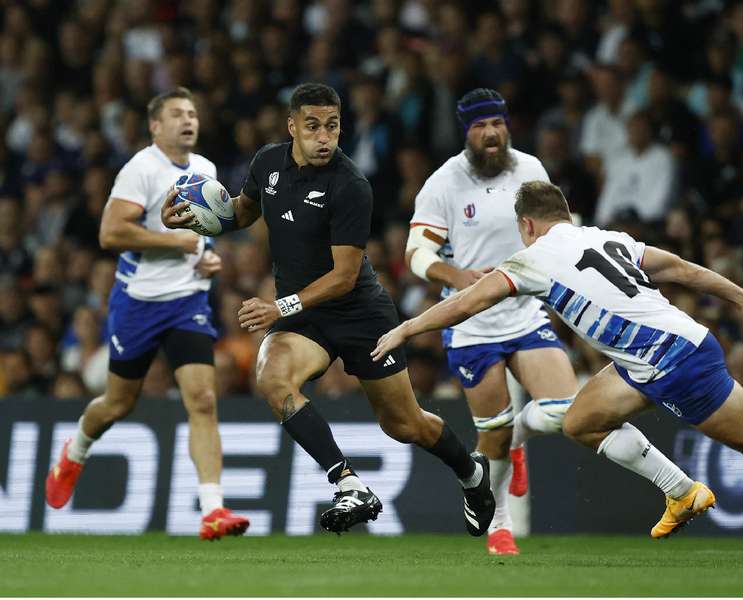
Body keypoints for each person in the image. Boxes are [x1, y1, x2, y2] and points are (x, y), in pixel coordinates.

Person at [374, 180, 743, 569]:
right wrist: (742, 297)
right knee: (581, 421)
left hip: (677, 361)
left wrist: (406, 329)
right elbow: (682, 270)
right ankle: (681, 490)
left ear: (527, 225)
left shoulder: (531, 258)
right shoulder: (610, 239)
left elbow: (467, 303)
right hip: (645, 359)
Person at [162, 83, 495, 536]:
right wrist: (190, 220)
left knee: (404, 424)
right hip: (304, 317)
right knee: (273, 377)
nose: (324, 137)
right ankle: (348, 483)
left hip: (359, 312)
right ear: (292, 127)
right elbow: (241, 213)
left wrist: (280, 306)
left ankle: (471, 472)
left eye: (333, 126)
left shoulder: (351, 185)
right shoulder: (267, 164)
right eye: (314, 126)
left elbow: (343, 276)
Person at [406, 88, 699, 556]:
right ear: (467, 132)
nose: (491, 133)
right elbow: (416, 253)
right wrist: (454, 274)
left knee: (567, 409)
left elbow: (559, 235)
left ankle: (522, 437)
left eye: (497, 123)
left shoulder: (530, 170)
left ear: (507, 126)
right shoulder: (443, 184)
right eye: (481, 126)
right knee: (492, 433)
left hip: (525, 314)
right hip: (471, 325)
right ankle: (500, 526)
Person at [45, 87, 250, 541]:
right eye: (177, 114)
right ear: (155, 126)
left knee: (203, 398)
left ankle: (213, 509)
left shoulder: (205, 169)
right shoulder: (140, 168)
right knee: (119, 403)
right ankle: (75, 450)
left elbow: (206, 230)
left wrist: (207, 255)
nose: (188, 120)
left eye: (193, 113)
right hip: (138, 302)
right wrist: (175, 242)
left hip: (188, 300)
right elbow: (110, 233)